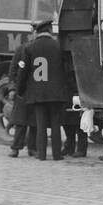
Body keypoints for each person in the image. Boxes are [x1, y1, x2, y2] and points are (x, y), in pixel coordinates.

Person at [24, 19, 71, 161]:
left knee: (41, 124)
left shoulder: (30, 47)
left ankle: (41, 154)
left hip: (37, 93)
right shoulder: (58, 46)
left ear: (38, 31)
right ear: (50, 30)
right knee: (56, 125)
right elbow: (66, 69)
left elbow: (25, 71)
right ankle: (57, 155)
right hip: (56, 93)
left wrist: (21, 90)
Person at [6, 31, 35, 159]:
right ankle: (15, 147)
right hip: (22, 90)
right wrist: (12, 88)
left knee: (35, 121)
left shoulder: (39, 50)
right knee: (20, 121)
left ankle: (33, 148)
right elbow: (13, 70)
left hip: (35, 90)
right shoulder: (21, 50)